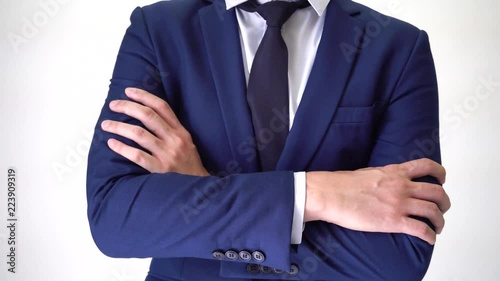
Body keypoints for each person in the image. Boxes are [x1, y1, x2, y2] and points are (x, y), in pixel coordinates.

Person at [86, 0, 451, 280]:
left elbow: (400, 255)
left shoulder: (399, 46)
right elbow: (116, 218)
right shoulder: (159, 29)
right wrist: (316, 193)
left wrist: (205, 191)